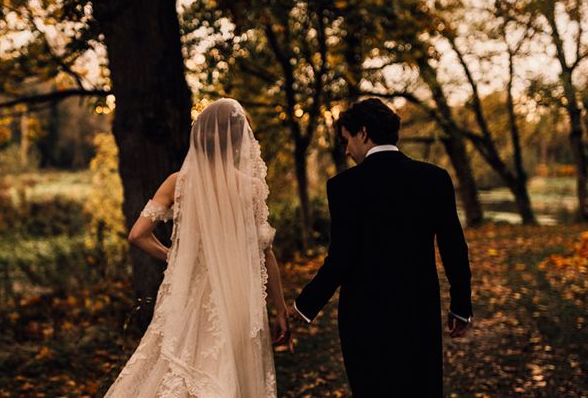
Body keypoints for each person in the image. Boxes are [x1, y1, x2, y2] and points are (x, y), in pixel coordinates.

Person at [104, 97, 292, 397]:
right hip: (237, 296)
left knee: (179, 367)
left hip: (189, 292)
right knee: (226, 371)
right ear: (237, 141)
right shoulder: (251, 188)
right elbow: (265, 253)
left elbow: (138, 234)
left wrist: (176, 259)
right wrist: (281, 309)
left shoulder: (178, 182)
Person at [291, 98, 473, 397]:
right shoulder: (434, 179)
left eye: (347, 140)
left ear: (363, 133)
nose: (347, 150)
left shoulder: (344, 186)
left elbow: (341, 260)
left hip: (364, 319)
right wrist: (461, 306)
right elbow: (454, 246)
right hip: (419, 314)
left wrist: (305, 306)